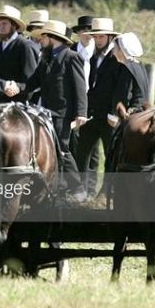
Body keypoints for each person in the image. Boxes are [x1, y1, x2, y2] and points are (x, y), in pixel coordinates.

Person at [22, 20, 88, 200]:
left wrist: (81, 113)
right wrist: (13, 88)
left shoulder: (71, 57)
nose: (40, 40)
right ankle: (55, 188)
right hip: (45, 112)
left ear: (53, 38)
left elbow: (80, 87)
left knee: (62, 150)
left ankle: (77, 189)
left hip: (62, 113)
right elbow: (32, 83)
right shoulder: (45, 58)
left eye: (43, 37)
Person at [74, 17, 125, 196]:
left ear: (110, 38)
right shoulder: (92, 56)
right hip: (91, 114)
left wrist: (114, 113)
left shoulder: (117, 58)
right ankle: (82, 190)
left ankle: (106, 192)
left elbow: (121, 88)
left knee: (110, 157)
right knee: (81, 154)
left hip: (109, 118)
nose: (97, 41)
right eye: (95, 37)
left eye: (101, 37)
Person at [69, 15, 99, 194]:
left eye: (91, 31)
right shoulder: (71, 50)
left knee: (93, 149)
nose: (87, 34)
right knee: (74, 145)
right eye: (84, 30)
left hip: (93, 102)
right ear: (78, 33)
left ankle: (91, 188)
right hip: (74, 101)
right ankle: (76, 185)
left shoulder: (100, 53)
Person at [0, 5, 38, 103]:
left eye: (4, 24)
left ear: (14, 25)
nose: (0, 27)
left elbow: (31, 81)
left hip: (19, 105)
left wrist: (17, 89)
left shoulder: (25, 46)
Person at [112, 32, 150, 115]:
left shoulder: (127, 68)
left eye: (115, 48)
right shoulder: (139, 66)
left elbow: (124, 95)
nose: (114, 52)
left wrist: (116, 115)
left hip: (132, 115)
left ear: (122, 50)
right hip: (143, 113)